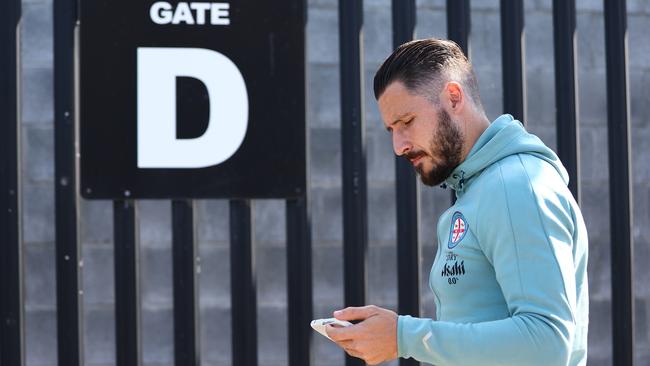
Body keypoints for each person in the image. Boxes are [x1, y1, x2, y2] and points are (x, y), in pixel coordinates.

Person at [325, 38, 589, 366]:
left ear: (453, 97)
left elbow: (547, 342)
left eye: (406, 122)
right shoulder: (481, 188)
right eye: (391, 129)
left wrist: (403, 336)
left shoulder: (516, 187)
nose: (398, 146)